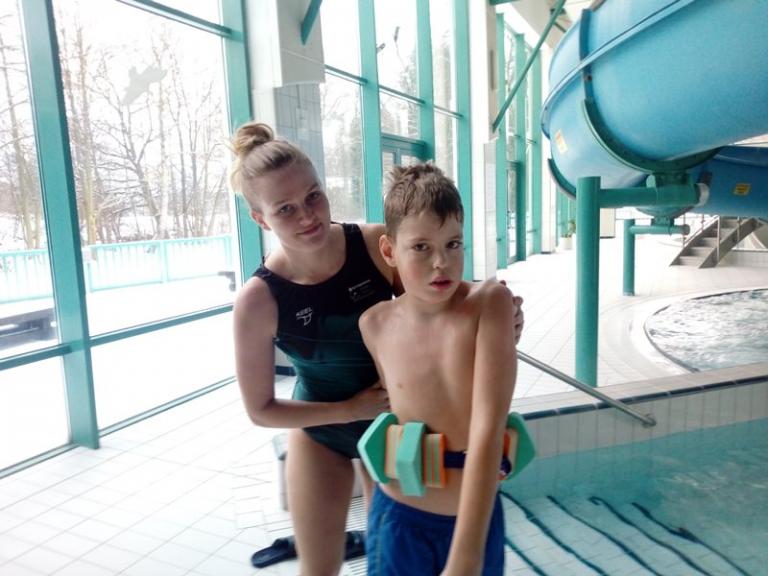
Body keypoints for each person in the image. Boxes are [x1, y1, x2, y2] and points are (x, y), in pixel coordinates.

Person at [230, 122, 523, 575]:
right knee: (319, 569)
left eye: (313, 196)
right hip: (323, 430)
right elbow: (260, 410)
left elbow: (435, 294)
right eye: (285, 209)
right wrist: (348, 409)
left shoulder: (370, 243)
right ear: (260, 219)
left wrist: (498, 321)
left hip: (387, 424)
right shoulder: (258, 300)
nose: (307, 216)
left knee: (386, 543)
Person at [358, 163, 518, 576]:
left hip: (473, 524)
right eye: (421, 247)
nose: (441, 262)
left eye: (453, 244)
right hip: (398, 519)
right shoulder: (374, 324)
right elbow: (390, 416)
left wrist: (466, 554)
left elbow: (488, 429)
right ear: (389, 251)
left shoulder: (489, 304)